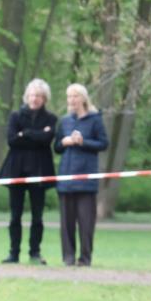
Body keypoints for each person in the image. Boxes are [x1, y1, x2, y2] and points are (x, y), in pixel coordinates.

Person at [0, 78, 57, 265]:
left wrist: (25, 133)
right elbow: (12, 140)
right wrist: (36, 134)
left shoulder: (51, 119)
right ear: (27, 97)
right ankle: (13, 253)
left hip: (39, 170)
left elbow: (46, 140)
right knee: (15, 215)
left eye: (38, 95)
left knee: (37, 216)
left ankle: (35, 252)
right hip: (17, 170)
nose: (35, 98)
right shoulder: (16, 116)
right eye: (32, 95)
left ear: (44, 98)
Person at [53, 83, 109, 267]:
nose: (72, 100)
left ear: (83, 99)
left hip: (86, 179)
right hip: (66, 178)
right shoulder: (65, 121)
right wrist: (64, 142)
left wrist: (83, 142)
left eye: (75, 96)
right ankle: (68, 257)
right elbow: (57, 147)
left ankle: (85, 258)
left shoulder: (95, 120)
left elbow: (103, 144)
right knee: (66, 222)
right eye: (69, 97)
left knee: (86, 222)